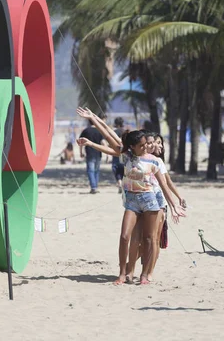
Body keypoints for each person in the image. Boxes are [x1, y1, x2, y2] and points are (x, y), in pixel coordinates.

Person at [76, 107, 181, 286]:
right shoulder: (127, 156)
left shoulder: (154, 160)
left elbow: (164, 185)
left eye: (146, 144)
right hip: (132, 201)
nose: (145, 147)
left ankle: (145, 275)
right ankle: (123, 273)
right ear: (132, 146)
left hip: (150, 200)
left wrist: (173, 205)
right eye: (142, 145)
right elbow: (109, 136)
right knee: (125, 236)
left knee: (149, 239)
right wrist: (93, 119)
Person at [127, 132, 186, 282]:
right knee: (137, 238)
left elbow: (166, 183)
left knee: (153, 239)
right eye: (153, 142)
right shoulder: (136, 158)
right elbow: (115, 145)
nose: (156, 145)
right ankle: (131, 267)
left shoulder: (157, 161)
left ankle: (148, 272)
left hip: (158, 201)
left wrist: (176, 201)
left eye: (159, 142)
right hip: (140, 200)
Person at [79, 120, 104, 194]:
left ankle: (93, 187)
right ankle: (95, 186)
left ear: (89, 122)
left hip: (89, 153)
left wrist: (81, 152)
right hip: (98, 152)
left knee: (90, 171)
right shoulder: (99, 131)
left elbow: (81, 142)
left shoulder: (86, 131)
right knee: (96, 171)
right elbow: (103, 142)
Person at [112, 117, 126, 193]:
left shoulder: (114, 132)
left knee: (115, 168)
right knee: (123, 168)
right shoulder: (125, 132)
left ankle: (119, 182)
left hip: (115, 152)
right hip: (125, 153)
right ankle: (122, 183)